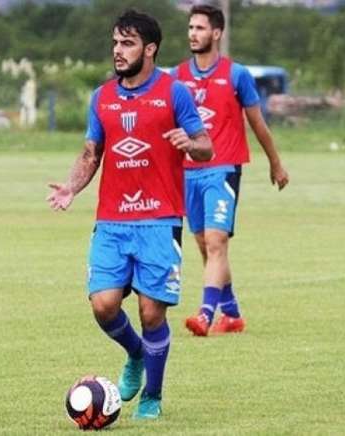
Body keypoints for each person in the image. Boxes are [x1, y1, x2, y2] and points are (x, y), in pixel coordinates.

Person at [47, 9, 211, 420]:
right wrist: (71, 186)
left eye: (128, 44)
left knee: (151, 312)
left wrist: (189, 144)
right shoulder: (101, 97)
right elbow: (91, 153)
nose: (118, 52)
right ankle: (136, 355)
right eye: (115, 43)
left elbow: (206, 145)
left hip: (160, 220)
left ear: (150, 49)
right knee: (103, 305)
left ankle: (152, 397)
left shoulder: (174, 93)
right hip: (112, 222)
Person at [175, 5, 289, 337]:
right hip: (188, 172)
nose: (193, 33)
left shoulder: (237, 75)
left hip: (223, 169)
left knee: (216, 242)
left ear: (217, 33)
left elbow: (258, 124)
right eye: (191, 27)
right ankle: (232, 312)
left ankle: (205, 315)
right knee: (204, 244)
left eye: (200, 27)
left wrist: (276, 163)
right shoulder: (176, 77)